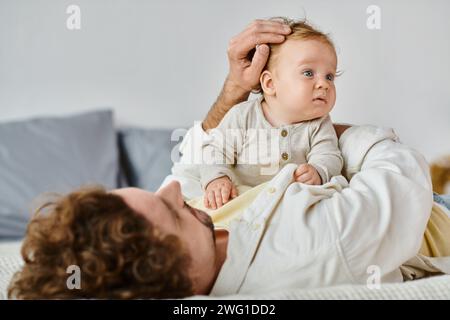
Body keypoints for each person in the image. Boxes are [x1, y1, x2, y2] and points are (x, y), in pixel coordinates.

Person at [8, 19, 448, 299]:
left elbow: (192, 164)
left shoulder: (195, 237)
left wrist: (233, 91)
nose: (174, 188)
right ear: (176, 280)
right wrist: (337, 132)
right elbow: (403, 178)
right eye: (168, 209)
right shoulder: (316, 244)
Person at [199, 18, 343, 209]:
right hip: (241, 201)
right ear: (270, 83)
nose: (324, 84)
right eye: (308, 73)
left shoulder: (318, 124)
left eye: (329, 76)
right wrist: (217, 179)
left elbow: (330, 155)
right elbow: (214, 150)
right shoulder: (243, 116)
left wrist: (317, 170)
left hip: (287, 208)